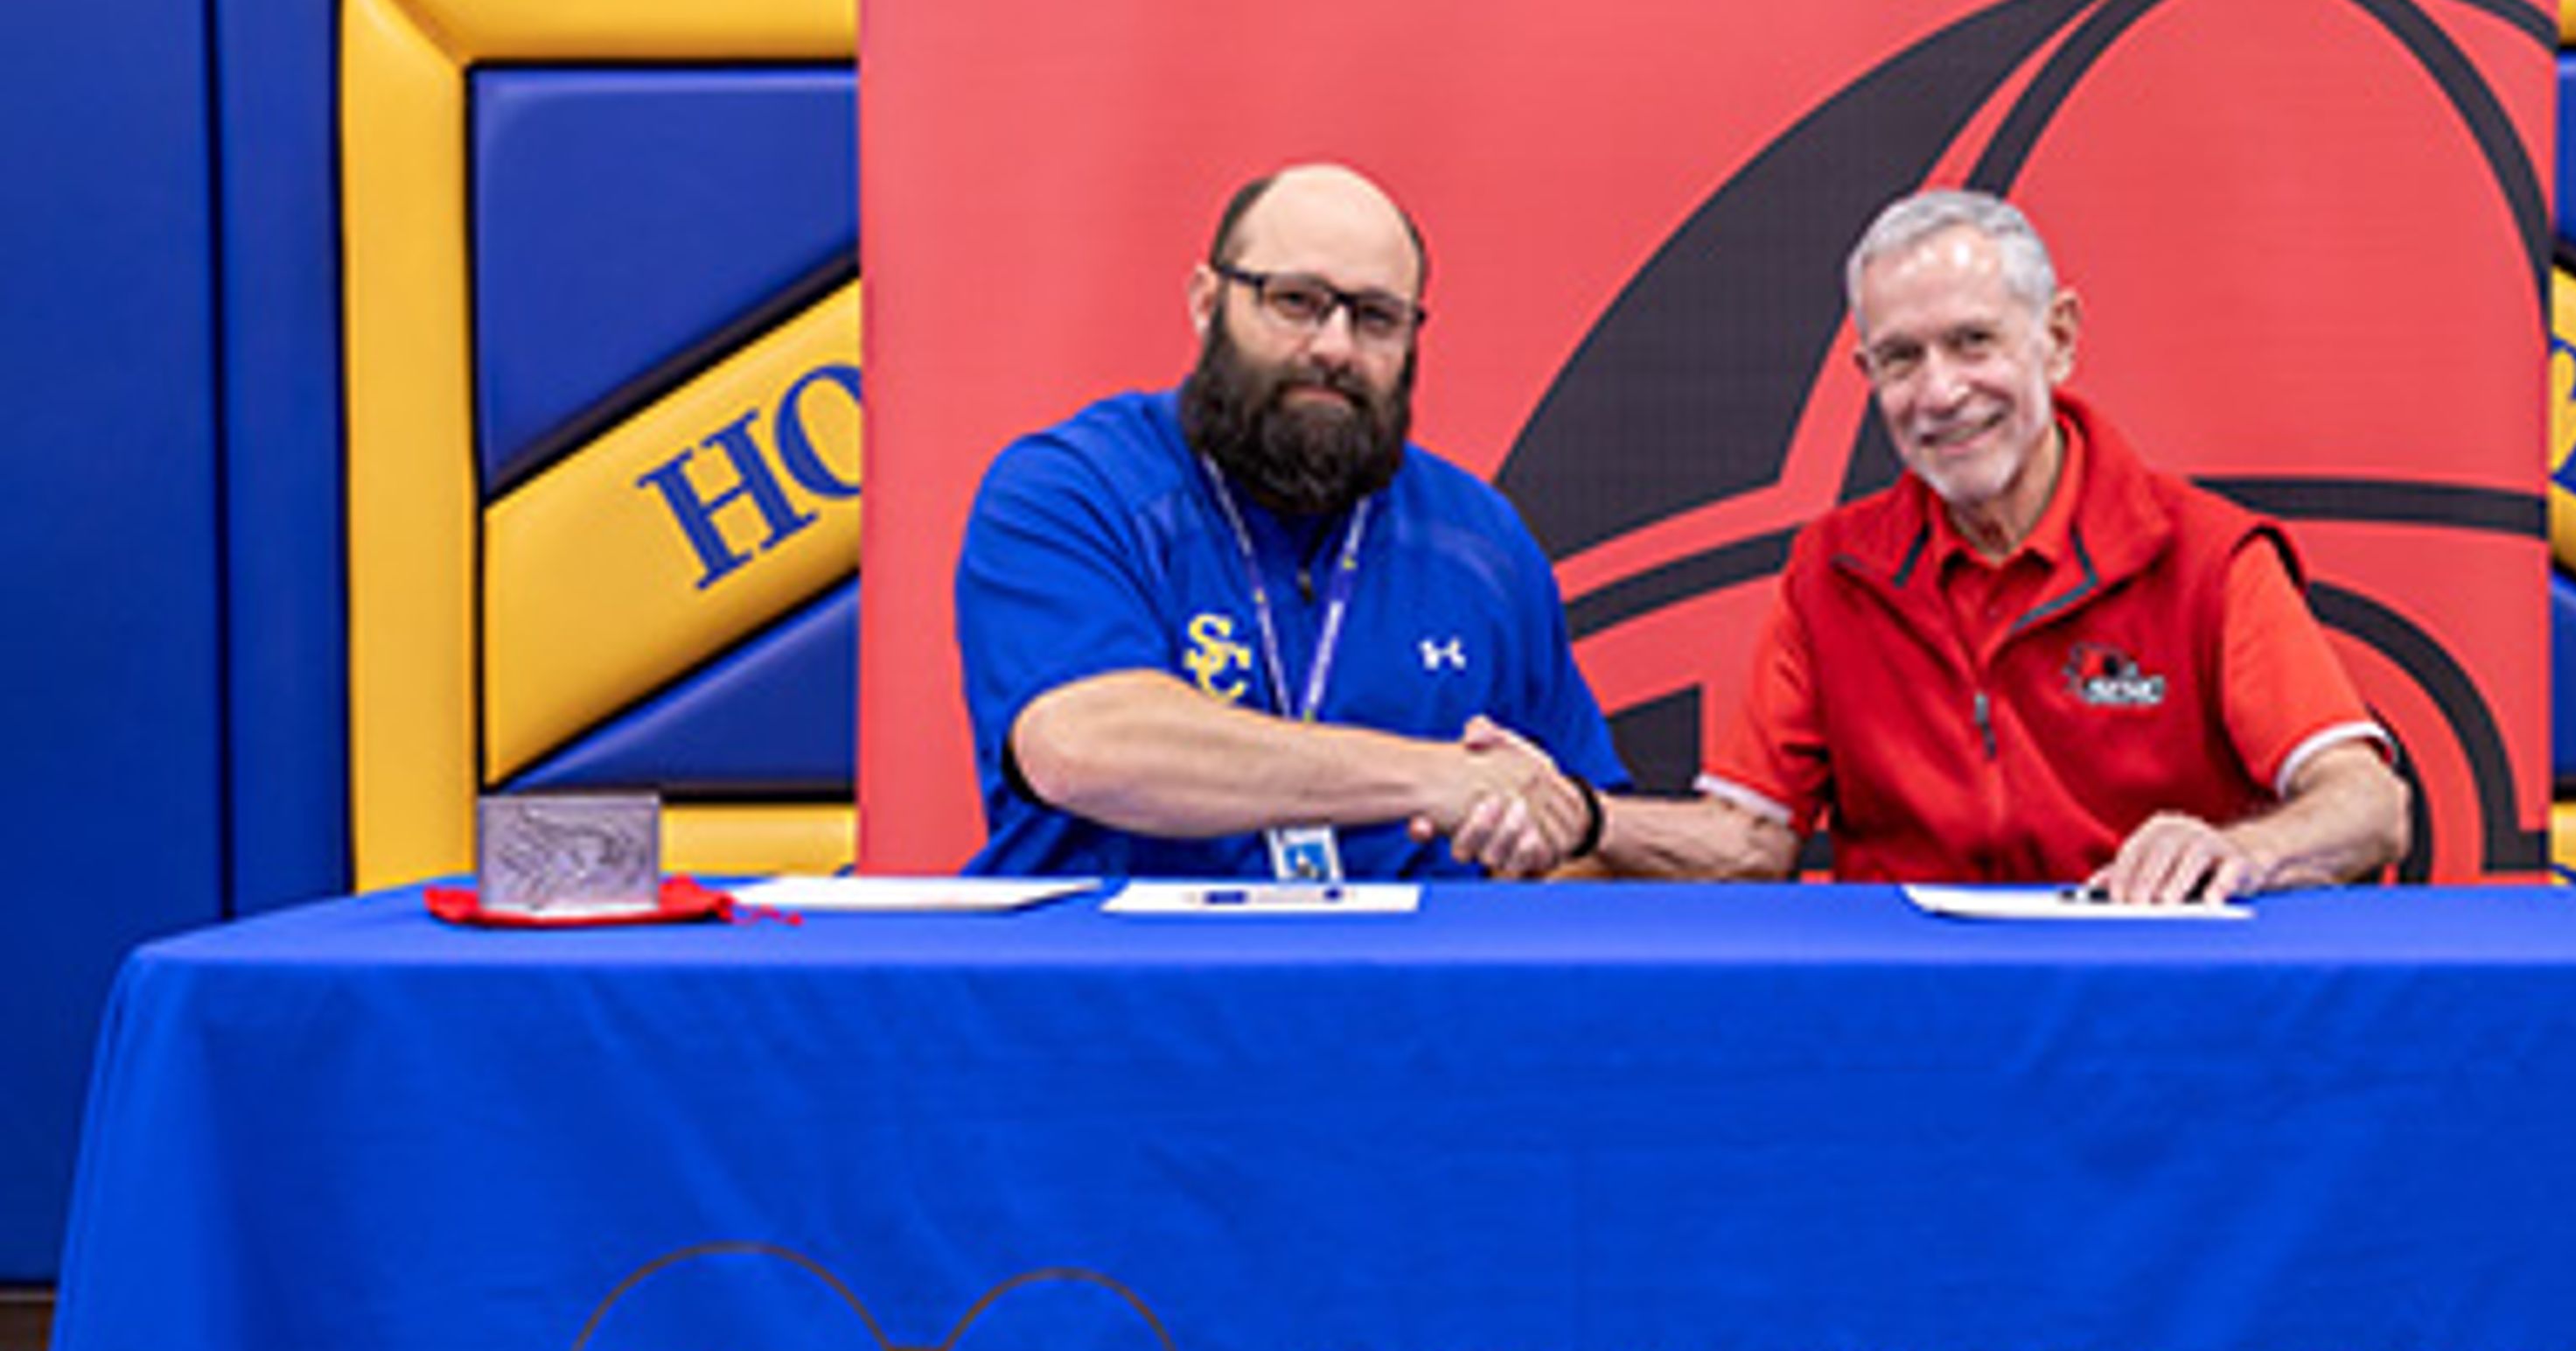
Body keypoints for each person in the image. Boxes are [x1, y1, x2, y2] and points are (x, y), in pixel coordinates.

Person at [1601, 188, 2407, 902]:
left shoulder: (2204, 554)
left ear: (2057, 338)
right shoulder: (1832, 571)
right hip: (1910, 1019)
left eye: (1973, 342)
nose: (1940, 392)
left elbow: (2371, 804)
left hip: (2147, 1002)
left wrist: (2239, 850)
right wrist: (1585, 814)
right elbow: (1750, 841)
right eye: (1901, 359)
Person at [956, 160, 1623, 881]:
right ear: (1207, 302)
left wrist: (1536, 840)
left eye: (1376, 318)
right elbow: (1082, 745)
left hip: (1399, 987)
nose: (1336, 347)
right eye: (1296, 301)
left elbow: (1570, 827)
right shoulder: (1073, 489)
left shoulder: (1481, 538)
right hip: (1116, 981)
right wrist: (1435, 778)